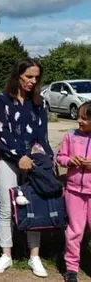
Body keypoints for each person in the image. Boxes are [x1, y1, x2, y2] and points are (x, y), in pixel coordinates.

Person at [0, 59, 52, 277]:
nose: (33, 81)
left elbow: (42, 136)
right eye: (28, 77)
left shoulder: (40, 103)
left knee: (34, 208)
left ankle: (34, 256)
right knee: (7, 207)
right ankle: (6, 254)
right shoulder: (1, 99)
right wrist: (20, 157)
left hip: (33, 162)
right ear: (18, 75)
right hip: (7, 160)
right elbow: (2, 133)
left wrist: (45, 160)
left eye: (36, 77)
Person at [57, 102, 91, 282]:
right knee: (74, 231)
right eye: (78, 116)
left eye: (84, 118)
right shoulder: (71, 136)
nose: (79, 120)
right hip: (74, 191)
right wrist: (70, 161)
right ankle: (71, 267)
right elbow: (60, 157)